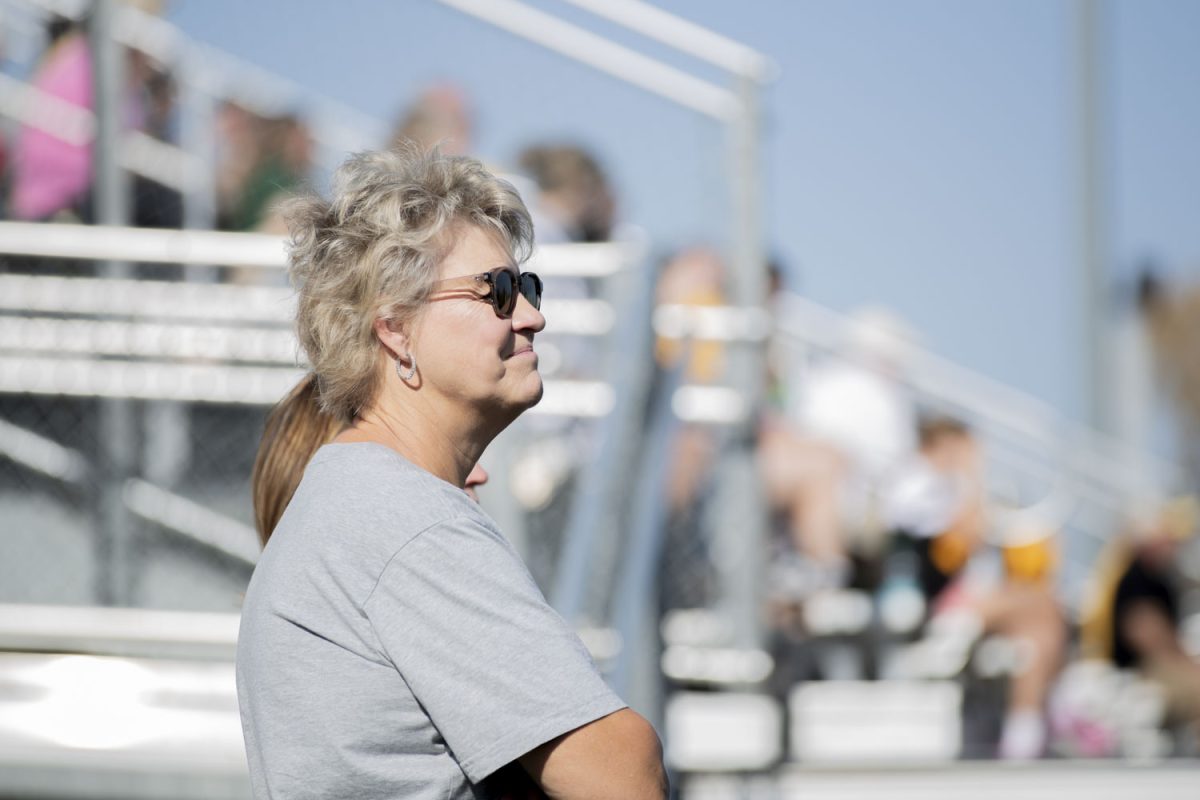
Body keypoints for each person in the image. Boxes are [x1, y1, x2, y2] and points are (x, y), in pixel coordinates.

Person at [237, 146, 667, 800]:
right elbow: (619, 771)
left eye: (527, 287)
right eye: (495, 291)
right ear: (396, 331)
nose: (531, 315)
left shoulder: (358, 500)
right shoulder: (405, 521)